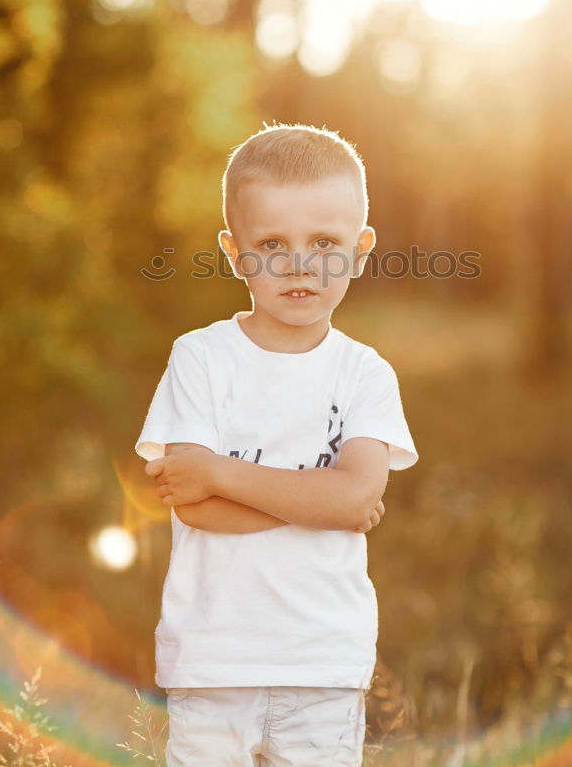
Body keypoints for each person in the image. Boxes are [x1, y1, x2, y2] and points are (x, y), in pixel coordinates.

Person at [135, 122, 419, 766]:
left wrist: (219, 471)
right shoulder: (201, 358)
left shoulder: (365, 374)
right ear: (235, 254)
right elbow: (194, 505)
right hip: (213, 659)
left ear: (361, 247)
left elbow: (351, 498)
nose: (300, 264)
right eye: (271, 244)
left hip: (323, 659)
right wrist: (323, 501)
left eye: (325, 242)